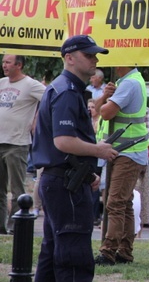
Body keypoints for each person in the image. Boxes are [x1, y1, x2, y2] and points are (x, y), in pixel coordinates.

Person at [31, 35, 118, 281]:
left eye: (94, 55)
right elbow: (63, 141)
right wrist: (98, 150)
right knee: (73, 258)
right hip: (64, 184)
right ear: (69, 58)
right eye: (88, 55)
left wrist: (87, 170)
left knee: (52, 254)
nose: (95, 60)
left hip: (63, 179)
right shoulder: (67, 91)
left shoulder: (65, 88)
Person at [95, 64, 149, 266]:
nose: (112, 64)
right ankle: (124, 251)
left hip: (128, 150)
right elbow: (98, 107)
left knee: (115, 202)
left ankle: (108, 252)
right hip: (124, 149)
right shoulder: (126, 82)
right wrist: (105, 95)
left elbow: (106, 113)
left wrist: (106, 100)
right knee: (124, 203)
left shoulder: (129, 83)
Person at [0, 54, 46, 234]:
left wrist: (37, 119)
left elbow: (50, 98)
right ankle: (1, 228)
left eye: (8, 62)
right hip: (0, 140)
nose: (4, 65)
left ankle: (16, 228)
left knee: (17, 190)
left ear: (19, 65)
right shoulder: (2, 83)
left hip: (17, 143)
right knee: (0, 190)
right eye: (3, 62)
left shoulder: (30, 84)